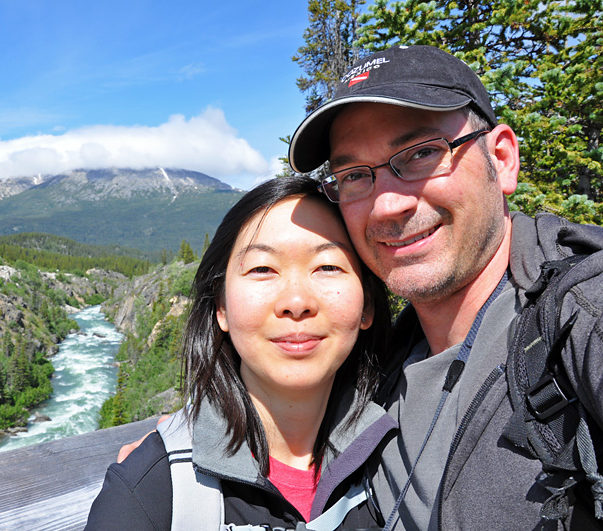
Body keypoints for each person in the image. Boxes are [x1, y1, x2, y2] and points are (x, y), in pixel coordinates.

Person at [286, 45, 603, 529]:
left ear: (501, 159)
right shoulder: (382, 362)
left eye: (421, 153)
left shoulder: (581, 316)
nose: (387, 205)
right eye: (354, 176)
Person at [85, 175, 396, 529]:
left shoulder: (399, 452)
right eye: (263, 269)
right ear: (222, 309)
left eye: (328, 266)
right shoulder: (148, 495)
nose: (296, 302)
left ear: (367, 304)